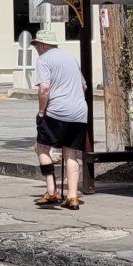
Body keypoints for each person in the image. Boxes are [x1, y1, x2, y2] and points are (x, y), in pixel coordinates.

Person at [31, 29, 89, 210]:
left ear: (41, 45)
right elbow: (84, 86)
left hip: (56, 111)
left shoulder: (43, 60)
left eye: (36, 46)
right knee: (70, 153)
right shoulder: (71, 58)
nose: (36, 49)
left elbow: (45, 89)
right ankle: (72, 196)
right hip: (79, 112)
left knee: (41, 148)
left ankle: (51, 190)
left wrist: (42, 111)